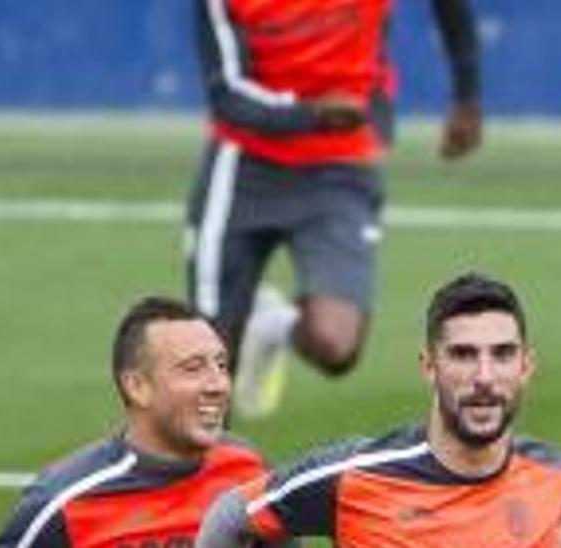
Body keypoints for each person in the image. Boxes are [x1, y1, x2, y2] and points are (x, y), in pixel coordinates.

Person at [189, 0, 483, 418]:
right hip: (244, 168)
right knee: (207, 366)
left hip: (341, 167)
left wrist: (466, 98)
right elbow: (225, 93)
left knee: (337, 345)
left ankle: (273, 325)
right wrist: (310, 115)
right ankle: (209, 479)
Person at [196, 272, 561, 547]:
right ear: (429, 367)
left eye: (502, 355)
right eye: (464, 355)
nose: (485, 376)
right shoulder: (353, 475)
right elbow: (229, 519)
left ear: (526, 367)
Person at [0, 297, 281, 547]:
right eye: (193, 368)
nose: (218, 385)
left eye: (221, 365)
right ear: (137, 387)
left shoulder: (249, 469)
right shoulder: (64, 502)